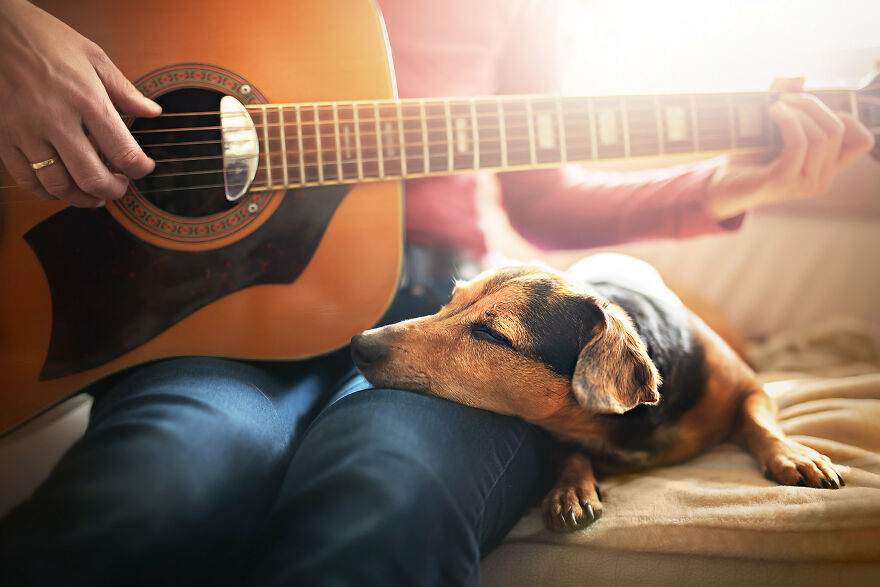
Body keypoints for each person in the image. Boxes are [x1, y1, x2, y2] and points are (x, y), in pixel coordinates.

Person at [0, 0, 873, 585]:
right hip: (190, 307)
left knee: (383, 499)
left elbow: (544, 196)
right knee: (154, 490)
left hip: (444, 301)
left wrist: (723, 186)